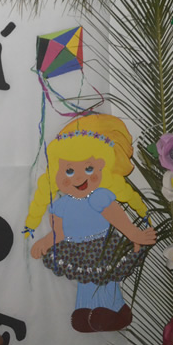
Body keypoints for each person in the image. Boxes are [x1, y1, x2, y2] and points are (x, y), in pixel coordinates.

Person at [25, 114, 156, 333]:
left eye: (88, 169)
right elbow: (59, 231)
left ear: (101, 167)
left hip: (103, 245)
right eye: (69, 171)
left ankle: (116, 310)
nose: (78, 178)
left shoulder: (99, 197)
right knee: (85, 280)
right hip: (76, 249)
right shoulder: (60, 205)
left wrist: (134, 235)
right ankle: (84, 311)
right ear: (56, 172)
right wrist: (46, 242)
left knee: (106, 279)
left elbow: (117, 218)